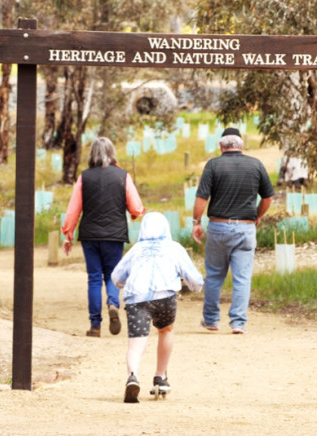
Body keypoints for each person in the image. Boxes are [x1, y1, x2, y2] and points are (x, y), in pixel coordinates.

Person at [109, 213, 201, 403]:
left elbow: (116, 277)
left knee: (136, 342)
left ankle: (132, 377)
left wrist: (124, 284)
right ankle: (160, 377)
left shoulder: (136, 250)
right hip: (165, 296)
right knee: (165, 330)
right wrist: (195, 287)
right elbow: (195, 279)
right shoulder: (174, 248)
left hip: (136, 299)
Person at [191, 127, 273, 334]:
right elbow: (268, 197)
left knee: (214, 275)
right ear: (241, 144)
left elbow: (202, 198)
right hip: (245, 228)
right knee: (242, 278)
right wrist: (258, 215)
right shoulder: (256, 165)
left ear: (221, 145)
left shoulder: (213, 165)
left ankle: (211, 320)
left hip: (218, 227)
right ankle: (238, 322)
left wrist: (196, 222)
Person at [62, 137, 145, 338]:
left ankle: (95, 325)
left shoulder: (84, 177)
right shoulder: (122, 176)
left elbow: (74, 209)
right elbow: (135, 207)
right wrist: (135, 213)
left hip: (90, 235)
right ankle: (113, 304)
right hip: (115, 235)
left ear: (92, 154)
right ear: (112, 152)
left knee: (93, 279)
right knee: (113, 276)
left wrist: (68, 234)